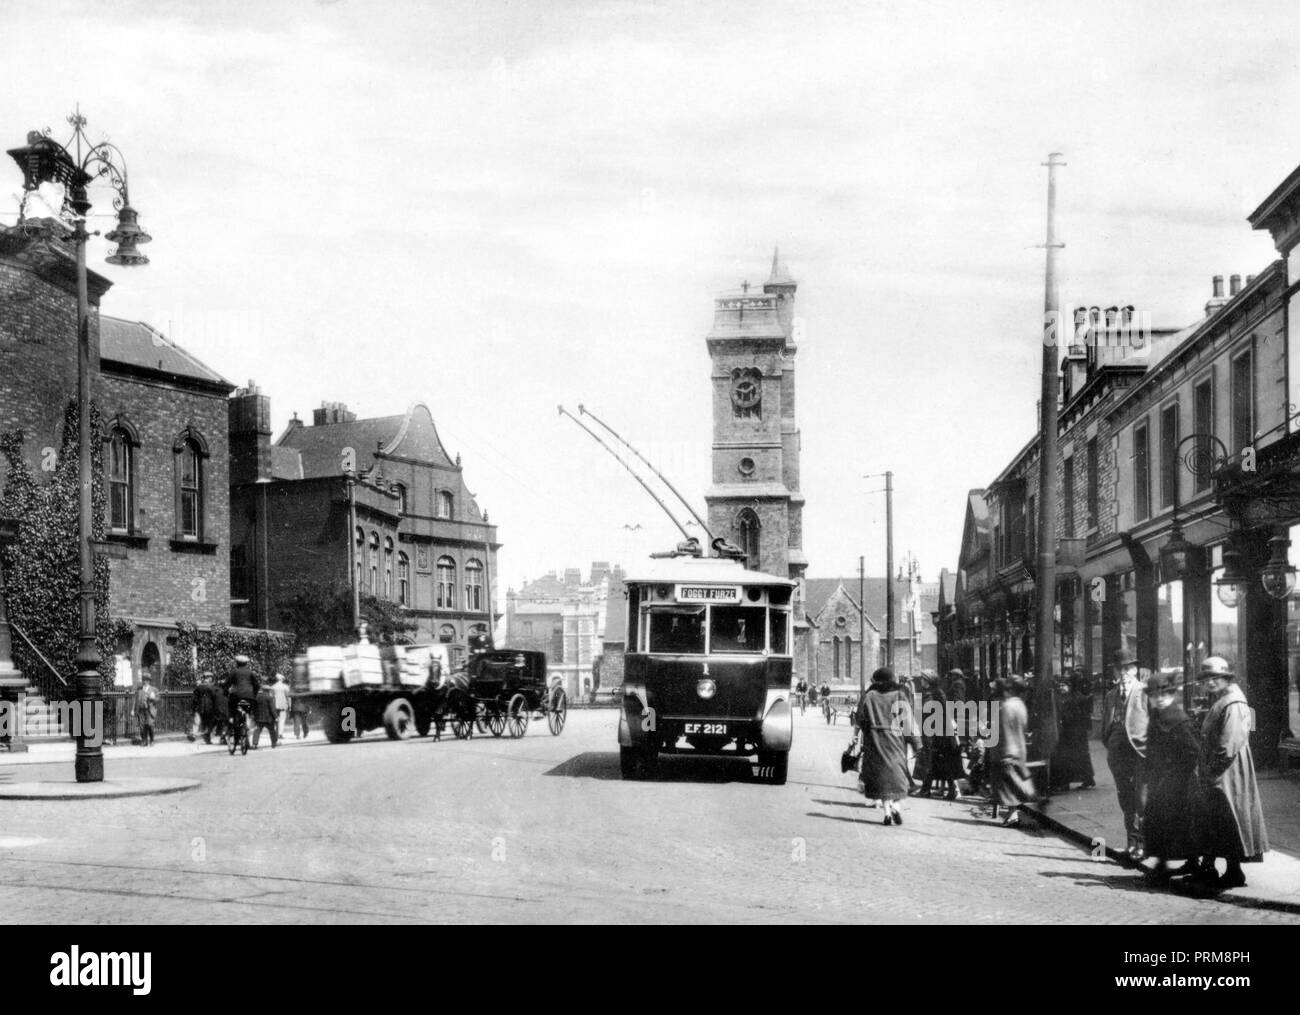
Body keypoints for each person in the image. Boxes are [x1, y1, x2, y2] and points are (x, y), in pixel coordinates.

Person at [1192, 656, 1268, 890]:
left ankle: (1234, 871)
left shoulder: (1233, 703)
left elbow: (1229, 745)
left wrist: (1209, 772)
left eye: (1215, 678)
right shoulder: (1222, 699)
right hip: (1219, 771)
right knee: (1217, 820)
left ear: (1226, 678)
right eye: (1206, 679)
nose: (1210, 683)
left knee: (1228, 818)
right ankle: (1214, 869)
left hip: (1227, 773)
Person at [1141, 671, 1201, 884]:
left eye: (1164, 694)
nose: (1159, 698)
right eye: (1155, 695)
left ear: (1172, 694)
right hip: (1161, 779)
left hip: (1178, 782)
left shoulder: (1178, 720)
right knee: (1161, 821)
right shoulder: (1157, 715)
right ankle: (1166, 863)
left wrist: (1176, 773)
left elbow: (1193, 751)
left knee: (1176, 822)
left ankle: (1178, 863)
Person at [853, 666, 921, 826]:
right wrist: (916, 743)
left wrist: (864, 734)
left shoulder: (869, 696)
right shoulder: (899, 695)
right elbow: (908, 722)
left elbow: (861, 719)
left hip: (875, 740)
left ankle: (887, 813)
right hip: (896, 740)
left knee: (881, 779)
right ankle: (896, 806)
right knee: (898, 777)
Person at [1101, 649, 1148, 859]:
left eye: (1127, 668)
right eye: (1119, 669)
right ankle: (1132, 841)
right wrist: (1111, 743)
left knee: (1141, 799)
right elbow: (1106, 726)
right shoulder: (1111, 695)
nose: (1123, 673)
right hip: (1117, 754)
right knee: (1125, 798)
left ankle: (1143, 843)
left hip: (1139, 753)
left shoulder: (1145, 692)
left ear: (1134, 670)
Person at [993, 674, 1035, 826]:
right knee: (1013, 782)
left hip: (1008, 749)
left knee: (1008, 784)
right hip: (1020, 748)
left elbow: (1003, 730)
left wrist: (1002, 751)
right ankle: (1014, 813)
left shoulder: (1006, 706)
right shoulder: (1021, 705)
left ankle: (1013, 814)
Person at [917, 672, 964, 800]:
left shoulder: (931, 694)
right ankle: (939, 790)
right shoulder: (938, 692)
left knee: (934, 761)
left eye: (923, 679)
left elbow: (928, 713)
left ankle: (929, 790)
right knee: (940, 762)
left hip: (935, 732)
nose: (921, 681)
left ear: (928, 681)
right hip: (941, 732)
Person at [1051, 669, 1096, 791]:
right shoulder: (1079, 696)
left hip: (1071, 732)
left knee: (1066, 757)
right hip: (1078, 732)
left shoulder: (1071, 699)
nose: (1061, 687)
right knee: (1081, 756)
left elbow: (1068, 716)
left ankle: (1065, 782)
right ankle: (1088, 778)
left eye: (1064, 684)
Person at [224, 655, 261, 740]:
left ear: (237, 663)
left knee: (232, 711)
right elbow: (257, 685)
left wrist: (226, 693)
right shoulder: (250, 672)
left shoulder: (234, 672)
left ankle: (232, 724)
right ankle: (247, 728)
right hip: (249, 698)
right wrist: (253, 695)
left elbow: (227, 684)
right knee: (248, 713)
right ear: (246, 663)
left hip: (236, 697)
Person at [252, 680, 279, 748]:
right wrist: (276, 717)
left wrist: (254, 716)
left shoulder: (257, 696)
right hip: (268, 718)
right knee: (272, 731)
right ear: (268, 690)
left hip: (259, 717)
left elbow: (254, 707)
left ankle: (255, 744)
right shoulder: (269, 697)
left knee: (257, 731)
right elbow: (272, 708)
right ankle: (274, 744)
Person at [135, 674, 159, 747]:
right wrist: (133, 710)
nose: (145, 681)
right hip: (141, 710)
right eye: (144, 680)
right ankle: (144, 741)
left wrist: (153, 698)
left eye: (147, 680)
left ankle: (152, 740)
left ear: (149, 681)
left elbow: (158, 699)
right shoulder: (139, 689)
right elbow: (136, 700)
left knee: (150, 725)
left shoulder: (154, 689)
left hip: (149, 710)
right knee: (142, 726)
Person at [290, 658, 311, 739]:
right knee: (304, 722)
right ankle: (305, 733)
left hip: (296, 708)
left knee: (296, 722)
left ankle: (297, 734)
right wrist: (309, 708)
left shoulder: (294, 688)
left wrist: (291, 709)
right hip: (303, 708)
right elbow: (307, 699)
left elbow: (291, 698)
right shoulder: (304, 689)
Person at [271, 672, 290, 742]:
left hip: (275, 705)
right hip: (283, 705)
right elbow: (287, 696)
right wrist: (289, 705)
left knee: (276, 720)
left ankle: (276, 733)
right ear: (281, 679)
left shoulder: (273, 687)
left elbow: (271, 696)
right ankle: (280, 734)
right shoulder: (285, 687)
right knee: (282, 720)